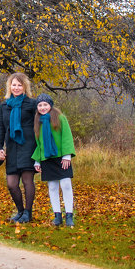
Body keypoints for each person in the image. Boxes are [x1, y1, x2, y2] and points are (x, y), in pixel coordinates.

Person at [0, 72, 37, 223]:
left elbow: (39, 126)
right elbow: (0, 128)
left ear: (25, 87)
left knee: (27, 181)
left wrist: (40, 151)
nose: (16, 88)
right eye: (14, 85)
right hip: (11, 147)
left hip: (28, 146)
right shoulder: (4, 106)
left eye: (20, 85)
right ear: (9, 86)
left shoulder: (32, 104)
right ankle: (20, 211)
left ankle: (28, 213)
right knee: (12, 184)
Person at [32, 93, 76, 226]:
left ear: (50, 105)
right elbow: (38, 143)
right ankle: (57, 215)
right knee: (52, 186)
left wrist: (67, 155)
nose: (43, 107)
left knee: (66, 185)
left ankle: (69, 215)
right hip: (47, 158)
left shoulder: (60, 118)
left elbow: (66, 136)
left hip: (61, 158)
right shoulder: (38, 122)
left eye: (45, 104)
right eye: (40, 105)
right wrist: (37, 160)